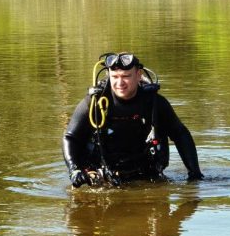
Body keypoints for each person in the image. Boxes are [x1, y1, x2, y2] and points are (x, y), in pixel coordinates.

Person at [63, 52, 203, 187]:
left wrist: (195, 173)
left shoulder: (154, 102)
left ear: (138, 75)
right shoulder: (94, 102)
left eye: (126, 76)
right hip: (103, 174)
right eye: (115, 76)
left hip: (147, 173)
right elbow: (70, 137)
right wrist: (74, 170)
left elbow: (180, 134)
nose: (120, 82)